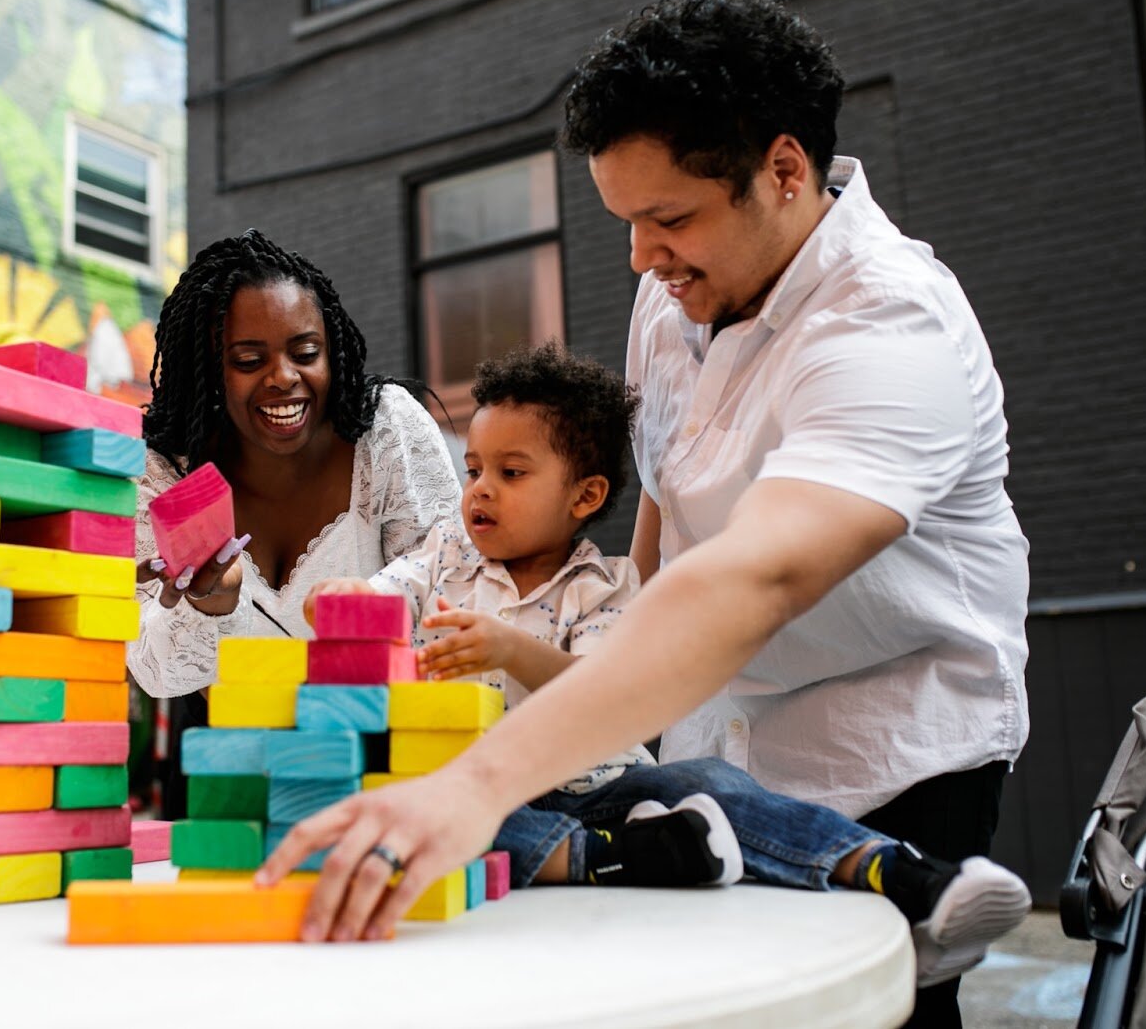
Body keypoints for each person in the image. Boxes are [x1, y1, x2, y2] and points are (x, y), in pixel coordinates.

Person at [262, 0, 1029, 1026]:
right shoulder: (671, 300)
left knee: (861, 1005)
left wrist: (474, 785)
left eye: (668, 219)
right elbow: (666, 509)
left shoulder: (891, 330)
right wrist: (630, 708)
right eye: (626, 222)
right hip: (720, 735)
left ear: (785, 172)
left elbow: (755, 574)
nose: (639, 258)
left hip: (890, 745)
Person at [306, 344, 1029, 982]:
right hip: (487, 792)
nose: (480, 489)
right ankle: (625, 855)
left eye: (512, 471)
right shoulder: (444, 557)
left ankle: (889, 868)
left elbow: (604, 688)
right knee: (459, 820)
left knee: (710, 781)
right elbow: (385, 596)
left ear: (584, 495)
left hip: (595, 787)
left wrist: (508, 647)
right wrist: (344, 597)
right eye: (474, 470)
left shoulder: (610, 585)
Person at [129, 228, 461, 699]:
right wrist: (213, 604)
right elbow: (158, 673)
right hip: (242, 759)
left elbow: (449, 605)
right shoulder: (163, 475)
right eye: (248, 360)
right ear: (205, 371)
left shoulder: (384, 429)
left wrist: (364, 615)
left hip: (399, 748)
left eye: (306, 353)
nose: (284, 377)